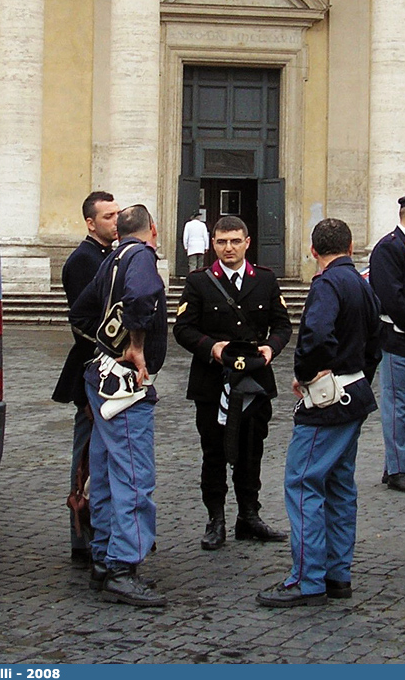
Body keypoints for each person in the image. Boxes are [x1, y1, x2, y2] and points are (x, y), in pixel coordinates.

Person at [256, 218, 382, 607]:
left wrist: (308, 375)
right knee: (340, 485)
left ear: (313, 251)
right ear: (351, 245)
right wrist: (358, 375)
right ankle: (337, 573)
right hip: (356, 390)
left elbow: (316, 335)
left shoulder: (327, 284)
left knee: (304, 482)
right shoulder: (363, 284)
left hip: (330, 399)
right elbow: (376, 341)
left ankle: (307, 579)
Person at [173, 215, 292, 551]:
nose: (229, 248)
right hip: (213, 382)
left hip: (254, 380)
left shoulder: (265, 281)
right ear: (213, 244)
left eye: (235, 241)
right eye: (222, 242)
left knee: (251, 450)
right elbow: (182, 329)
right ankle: (216, 519)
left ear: (247, 243)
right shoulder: (199, 282)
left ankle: (249, 516)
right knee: (213, 452)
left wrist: (273, 347)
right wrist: (211, 347)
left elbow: (283, 325)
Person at [70, 204, 168, 607]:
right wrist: (135, 346)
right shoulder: (142, 257)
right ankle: (124, 566)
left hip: (99, 375)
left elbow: (80, 312)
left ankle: (104, 558)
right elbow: (143, 296)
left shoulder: (110, 259)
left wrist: (105, 345)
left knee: (108, 472)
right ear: (153, 231)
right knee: (133, 475)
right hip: (125, 385)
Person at [53, 191, 120, 566]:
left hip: (108, 370)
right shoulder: (82, 261)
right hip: (92, 370)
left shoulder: (110, 256)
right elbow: (86, 322)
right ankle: (82, 535)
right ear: (91, 223)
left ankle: (100, 529)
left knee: (102, 454)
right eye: (109, 216)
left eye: (118, 214)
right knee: (85, 456)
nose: (116, 221)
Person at [368, 193, 405, 493]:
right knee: (398, 405)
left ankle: (398, 463)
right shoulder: (389, 248)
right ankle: (398, 470)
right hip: (400, 339)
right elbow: (391, 299)